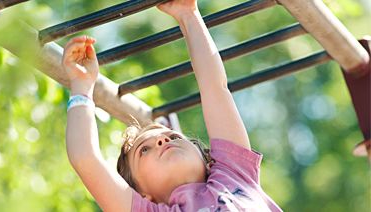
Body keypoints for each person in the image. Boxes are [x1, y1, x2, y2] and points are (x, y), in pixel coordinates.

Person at [63, 0, 282, 211]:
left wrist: (188, 14)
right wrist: (81, 86)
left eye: (174, 137)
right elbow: (85, 158)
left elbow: (215, 88)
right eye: (144, 150)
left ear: (206, 160)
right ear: (141, 193)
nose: (162, 139)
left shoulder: (233, 173)